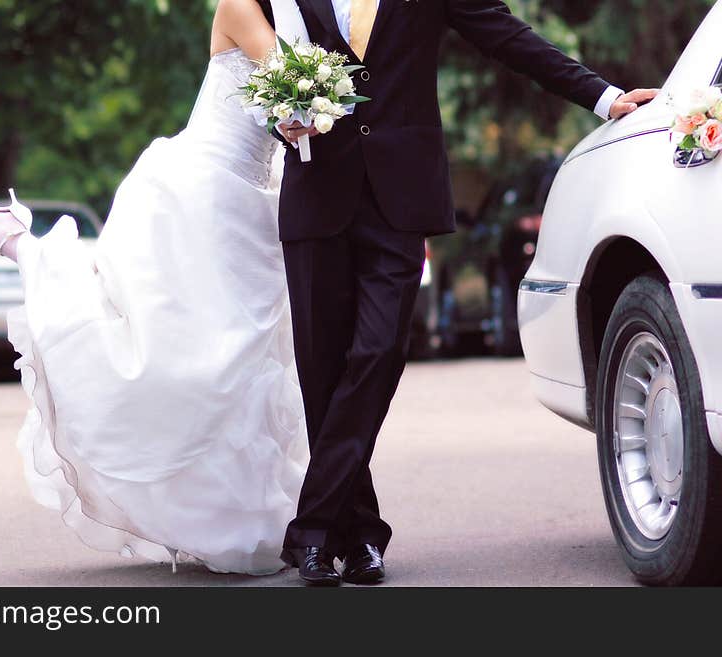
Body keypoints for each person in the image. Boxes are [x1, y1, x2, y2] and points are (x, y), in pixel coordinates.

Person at [272, 0, 657, 586]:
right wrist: (274, 116)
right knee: (322, 372)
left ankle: (313, 527)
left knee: (376, 355)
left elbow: (508, 38)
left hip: (400, 198)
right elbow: (250, 73)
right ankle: (356, 533)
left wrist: (604, 98)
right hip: (315, 195)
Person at [0, 0, 308, 576]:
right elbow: (289, 77)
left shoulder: (308, 19)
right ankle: (18, 243)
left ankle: (238, 522)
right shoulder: (240, 7)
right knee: (180, 361)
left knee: (243, 367)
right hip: (200, 193)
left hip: (254, 205)